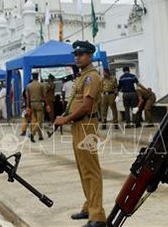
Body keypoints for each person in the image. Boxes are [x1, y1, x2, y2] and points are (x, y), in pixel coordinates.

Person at [55, 41, 106, 227]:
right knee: (83, 168)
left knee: (91, 170)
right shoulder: (82, 76)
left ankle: (97, 216)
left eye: (82, 54)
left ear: (90, 55)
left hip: (86, 126)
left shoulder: (91, 77)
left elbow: (86, 106)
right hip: (79, 125)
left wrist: (65, 120)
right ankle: (89, 206)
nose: (77, 57)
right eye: (75, 54)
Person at [26, 72, 48, 142]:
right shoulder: (41, 85)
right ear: (38, 77)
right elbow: (44, 96)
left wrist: (28, 106)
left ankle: (40, 136)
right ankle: (32, 133)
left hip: (32, 104)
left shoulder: (29, 86)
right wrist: (47, 104)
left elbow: (27, 98)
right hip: (39, 103)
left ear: (32, 77)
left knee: (35, 121)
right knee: (40, 121)